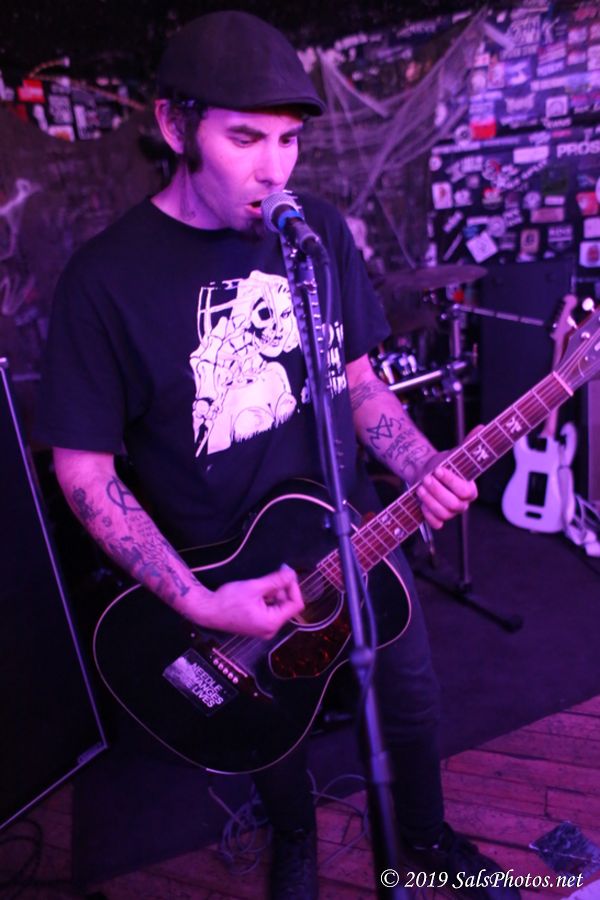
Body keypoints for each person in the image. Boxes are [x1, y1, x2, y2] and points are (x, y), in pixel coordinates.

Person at [35, 11, 519, 900]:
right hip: (223, 572)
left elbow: (359, 382)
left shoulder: (316, 233)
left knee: (411, 703)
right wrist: (197, 600)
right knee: (266, 732)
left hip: (353, 538)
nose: (275, 169)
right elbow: (84, 472)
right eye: (245, 138)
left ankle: (424, 844)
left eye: (290, 140)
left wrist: (421, 465)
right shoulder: (105, 281)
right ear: (175, 126)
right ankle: (293, 834)